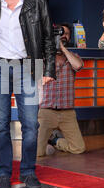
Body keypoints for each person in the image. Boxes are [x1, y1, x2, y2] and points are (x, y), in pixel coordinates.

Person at [0, 0, 56, 188]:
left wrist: (48, 69)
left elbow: (47, 36)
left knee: (30, 124)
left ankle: (27, 171)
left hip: (29, 66)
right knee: (0, 124)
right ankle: (4, 172)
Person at [37, 23, 86, 156]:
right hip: (46, 111)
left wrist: (63, 49)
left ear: (69, 38)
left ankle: (55, 140)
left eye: (66, 34)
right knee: (38, 153)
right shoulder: (43, 56)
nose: (62, 36)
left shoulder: (73, 56)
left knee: (78, 148)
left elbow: (78, 66)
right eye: (59, 33)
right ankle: (44, 139)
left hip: (67, 112)